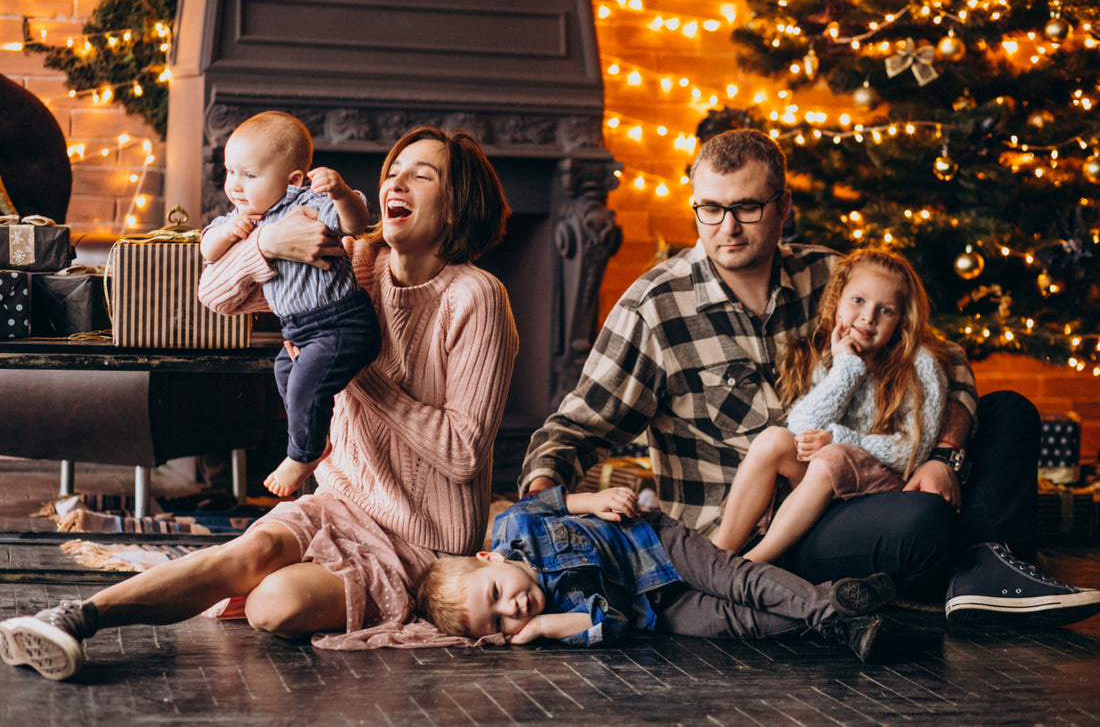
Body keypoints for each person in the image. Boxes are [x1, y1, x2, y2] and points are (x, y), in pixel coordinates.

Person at [519, 127, 1100, 628]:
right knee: (922, 522)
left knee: (1009, 412)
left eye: (746, 207)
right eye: (710, 209)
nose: (727, 227)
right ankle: (982, 571)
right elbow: (575, 428)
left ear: (782, 205)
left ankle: (986, 574)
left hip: (866, 479)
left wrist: (941, 457)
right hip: (761, 538)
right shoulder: (655, 306)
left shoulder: (831, 275)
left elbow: (944, 362)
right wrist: (541, 518)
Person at [0, 126, 519, 681]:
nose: (397, 182)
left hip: (423, 542)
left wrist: (353, 365)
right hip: (341, 502)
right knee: (251, 551)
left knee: (276, 604)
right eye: (393, 170)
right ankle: (74, 619)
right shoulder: (356, 258)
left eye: (422, 175)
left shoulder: (476, 296)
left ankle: (372, 595)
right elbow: (214, 296)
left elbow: (463, 453)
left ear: (459, 205)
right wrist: (265, 245)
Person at [416, 485, 897, 662]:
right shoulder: (551, 620)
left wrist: (595, 501)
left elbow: (553, 501)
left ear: (490, 560)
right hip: (660, 609)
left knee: (740, 580)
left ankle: (842, 620)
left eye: (497, 594)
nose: (512, 609)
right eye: (498, 622)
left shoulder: (513, 525)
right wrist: (542, 627)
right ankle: (846, 597)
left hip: (654, 544)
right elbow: (613, 623)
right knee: (740, 624)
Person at [713, 249, 950, 563]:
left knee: (830, 458)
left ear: (902, 319)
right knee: (773, 440)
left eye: (886, 310)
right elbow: (799, 429)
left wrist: (839, 440)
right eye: (858, 301)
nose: (868, 317)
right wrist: (846, 369)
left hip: (883, 491)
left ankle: (751, 564)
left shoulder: (920, 366)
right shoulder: (835, 357)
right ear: (837, 301)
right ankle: (716, 555)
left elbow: (912, 450)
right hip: (823, 487)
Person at [200, 111, 381, 496]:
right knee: (285, 375)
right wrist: (238, 236)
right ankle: (315, 442)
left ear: (293, 179)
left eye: (249, 175)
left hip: (341, 323)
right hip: (299, 330)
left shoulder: (313, 201)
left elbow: (356, 225)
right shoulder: (241, 218)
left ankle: (302, 454)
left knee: (303, 386)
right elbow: (208, 253)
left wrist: (342, 193)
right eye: (231, 172)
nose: (235, 185)